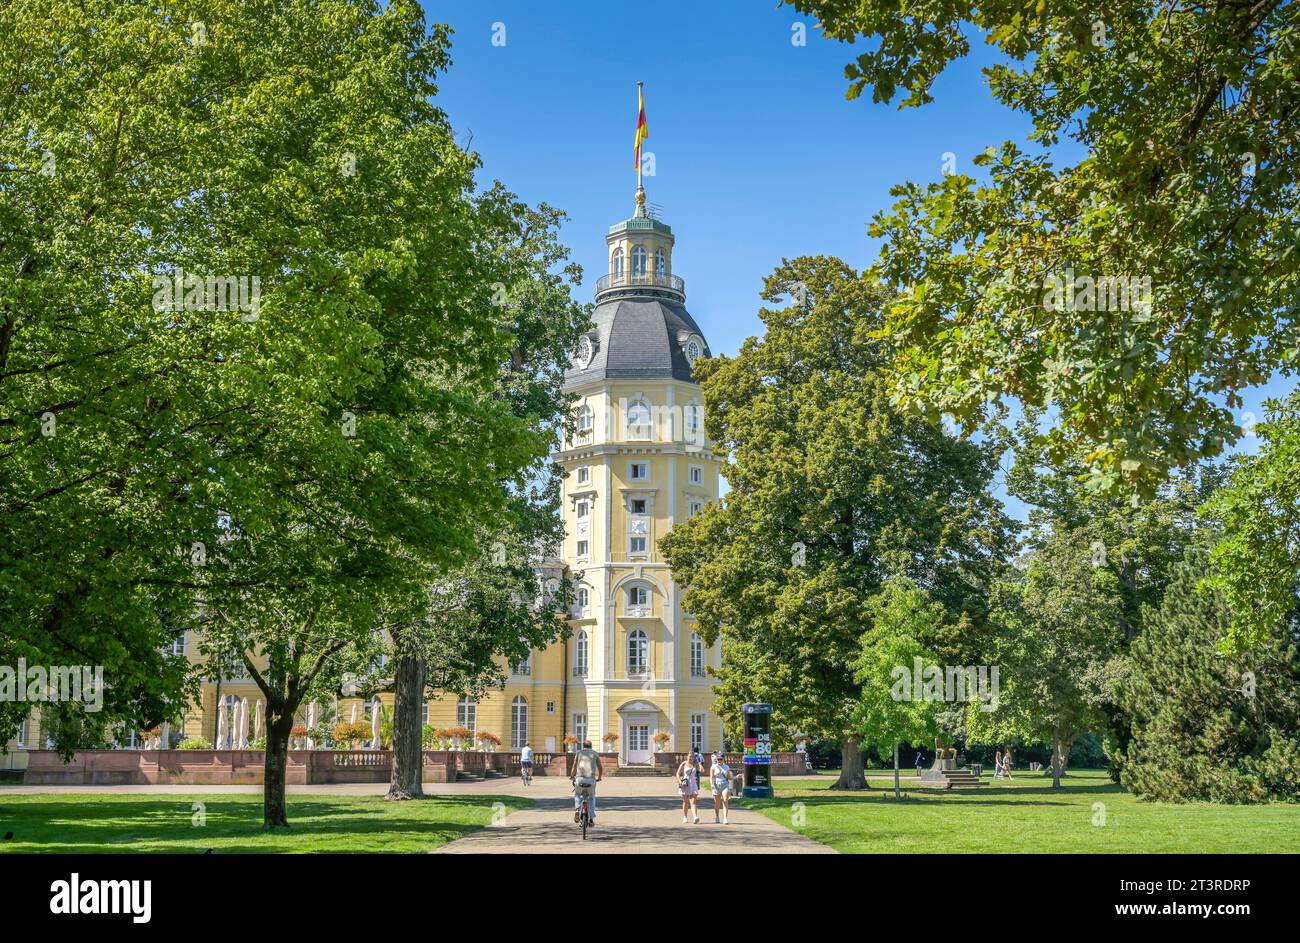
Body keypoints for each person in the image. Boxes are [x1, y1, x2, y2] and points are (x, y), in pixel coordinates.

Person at [571, 739, 603, 826]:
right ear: (591, 746)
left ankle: (577, 810)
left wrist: (572, 775)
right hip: (591, 780)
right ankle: (591, 819)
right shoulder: (595, 753)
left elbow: (574, 766)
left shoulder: (579, 753)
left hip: (579, 779)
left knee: (577, 794)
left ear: (583, 746)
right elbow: (600, 767)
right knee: (592, 798)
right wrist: (599, 777)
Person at [708, 752, 734, 824]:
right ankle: (717, 816)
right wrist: (712, 785)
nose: (719, 760)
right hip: (716, 785)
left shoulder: (726, 767)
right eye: (718, 759)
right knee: (717, 803)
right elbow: (711, 777)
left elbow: (729, 776)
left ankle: (725, 818)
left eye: (721, 759)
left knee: (725, 800)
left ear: (723, 759)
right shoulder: (713, 767)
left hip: (725, 784)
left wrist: (731, 776)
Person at [676, 751, 702, 823]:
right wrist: (680, 781)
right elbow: (678, 773)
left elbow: (702, 770)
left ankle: (695, 817)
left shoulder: (695, 764)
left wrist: (699, 763)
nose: (691, 758)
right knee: (685, 801)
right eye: (690, 756)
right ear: (687, 756)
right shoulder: (684, 764)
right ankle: (685, 816)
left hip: (693, 783)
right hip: (685, 783)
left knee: (693, 801)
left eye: (692, 757)